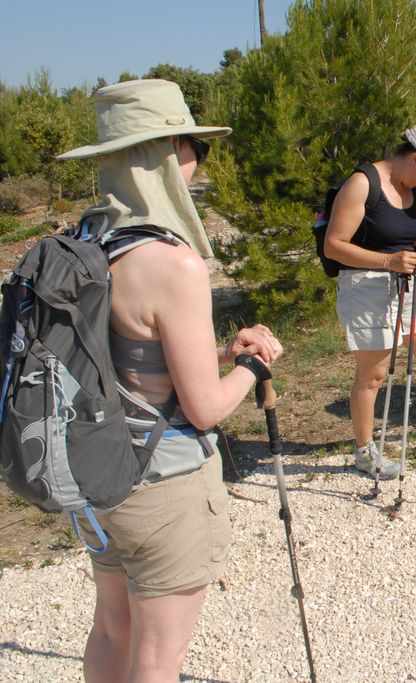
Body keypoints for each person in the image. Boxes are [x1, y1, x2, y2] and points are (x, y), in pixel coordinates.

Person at [55, 79, 283, 682]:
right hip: (163, 482)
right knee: (158, 660)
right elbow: (204, 408)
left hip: (95, 477)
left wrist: (214, 352)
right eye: (193, 149)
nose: (196, 165)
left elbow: (126, 362)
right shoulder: (170, 262)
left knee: (112, 627)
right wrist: (252, 367)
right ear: (166, 152)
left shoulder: (84, 242)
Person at [323, 124, 416, 479]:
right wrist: (388, 261)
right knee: (374, 373)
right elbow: (334, 245)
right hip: (365, 285)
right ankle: (365, 452)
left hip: (406, 282)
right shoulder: (362, 184)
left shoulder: (414, 191)